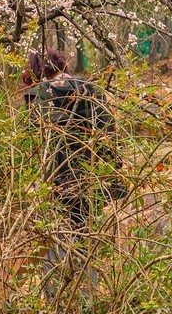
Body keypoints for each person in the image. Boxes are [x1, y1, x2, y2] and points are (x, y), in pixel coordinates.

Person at [23, 48, 124, 297]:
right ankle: (87, 299)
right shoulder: (90, 90)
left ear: (36, 70)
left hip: (54, 183)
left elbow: (33, 146)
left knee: (54, 243)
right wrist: (109, 173)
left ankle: (58, 300)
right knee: (84, 241)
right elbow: (109, 136)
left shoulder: (38, 96)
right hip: (89, 180)